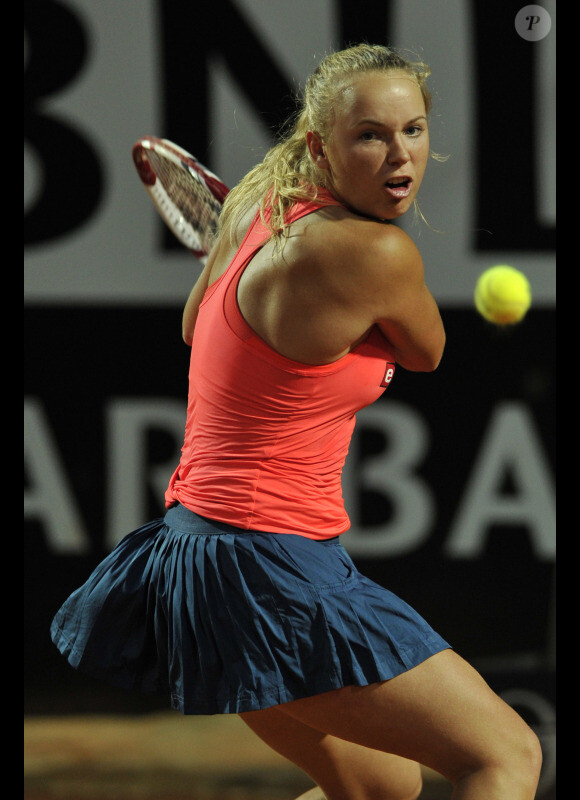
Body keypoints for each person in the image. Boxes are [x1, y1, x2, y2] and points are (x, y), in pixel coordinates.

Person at [51, 44, 542, 799]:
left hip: (194, 560)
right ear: (321, 145)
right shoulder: (376, 251)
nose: (399, 155)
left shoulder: (254, 206)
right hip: (264, 569)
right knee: (505, 757)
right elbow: (429, 352)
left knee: (384, 792)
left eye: (412, 131)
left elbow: (195, 327)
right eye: (370, 135)